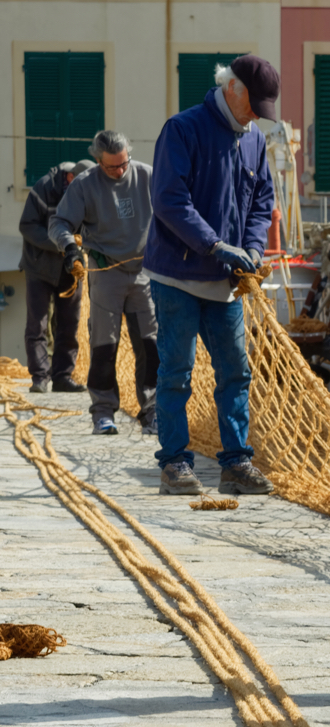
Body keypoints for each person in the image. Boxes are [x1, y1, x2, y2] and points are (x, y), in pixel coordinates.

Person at [144, 54, 277, 498]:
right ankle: (175, 464)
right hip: (179, 277)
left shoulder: (255, 139)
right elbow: (169, 200)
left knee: (235, 373)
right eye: (254, 104)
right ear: (232, 87)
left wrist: (253, 248)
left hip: (226, 285)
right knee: (177, 373)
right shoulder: (182, 129)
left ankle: (236, 463)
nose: (257, 115)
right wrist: (214, 245)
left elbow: (262, 202)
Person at [49, 134, 158, 436]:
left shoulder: (148, 176)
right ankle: (103, 411)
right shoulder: (84, 184)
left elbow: (174, 209)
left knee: (150, 344)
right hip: (105, 270)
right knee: (103, 345)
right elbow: (58, 223)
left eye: (124, 163)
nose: (120, 171)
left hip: (143, 271)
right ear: (99, 162)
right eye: (112, 168)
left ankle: (151, 411)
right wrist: (70, 247)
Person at [18, 158, 94, 394]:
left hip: (69, 268)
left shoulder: (87, 193)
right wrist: (63, 244)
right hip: (39, 267)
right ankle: (39, 378)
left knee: (69, 323)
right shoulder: (42, 188)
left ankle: (62, 377)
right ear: (70, 178)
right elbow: (27, 226)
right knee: (37, 324)